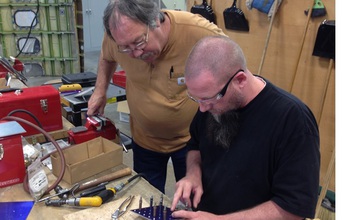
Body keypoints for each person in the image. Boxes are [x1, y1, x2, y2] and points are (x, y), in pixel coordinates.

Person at [170, 36, 320, 219]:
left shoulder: (293, 120)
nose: (202, 108)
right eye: (197, 99)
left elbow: (293, 208)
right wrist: (193, 174)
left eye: (208, 99)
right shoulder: (213, 101)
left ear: (240, 80)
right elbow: (195, 145)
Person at [86, 0, 226, 193]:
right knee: (147, 200)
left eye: (139, 42)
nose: (135, 53)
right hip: (145, 141)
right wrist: (100, 90)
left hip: (193, 144)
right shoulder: (118, 37)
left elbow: (234, 68)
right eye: (126, 48)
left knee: (198, 202)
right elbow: (107, 56)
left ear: (155, 21)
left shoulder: (197, 32)